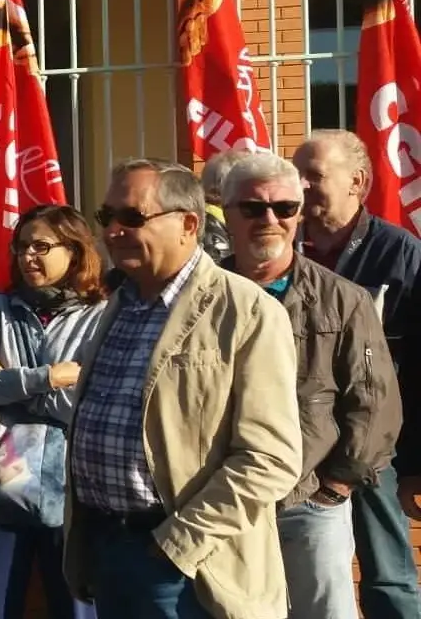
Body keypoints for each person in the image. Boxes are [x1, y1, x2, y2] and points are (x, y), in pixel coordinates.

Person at [64, 158, 301, 618]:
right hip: (108, 546)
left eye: (131, 218)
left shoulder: (246, 310)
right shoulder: (119, 304)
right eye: (106, 217)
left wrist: (178, 543)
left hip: (188, 566)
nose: (112, 231)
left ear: (188, 224)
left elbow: (270, 458)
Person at [218, 151, 400, 619]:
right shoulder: (198, 295)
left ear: (299, 213)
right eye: (253, 208)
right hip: (218, 503)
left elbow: (374, 401)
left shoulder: (343, 299)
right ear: (226, 210)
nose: (270, 220)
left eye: (284, 208)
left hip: (308, 502)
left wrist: (334, 488)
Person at [293, 130, 421, 619]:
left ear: (358, 183)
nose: (301, 186)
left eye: (315, 175)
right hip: (299, 445)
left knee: (388, 575)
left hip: (374, 451)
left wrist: (413, 462)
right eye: (296, 174)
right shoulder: (285, 251)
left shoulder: (400, 254)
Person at [0, 204, 107, 619]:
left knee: (76, 608)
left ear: (74, 251)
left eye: (41, 246)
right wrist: (45, 379)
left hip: (72, 491)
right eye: (21, 246)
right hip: (0, 484)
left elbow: (87, 405)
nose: (28, 256)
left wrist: (7, 381)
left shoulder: (99, 316)